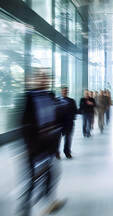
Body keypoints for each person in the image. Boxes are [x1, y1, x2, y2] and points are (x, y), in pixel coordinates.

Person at [19, 68, 66, 215]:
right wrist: (29, 147)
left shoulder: (50, 95)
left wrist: (56, 145)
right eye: (41, 78)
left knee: (51, 173)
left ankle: (49, 201)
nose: (44, 80)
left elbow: (56, 119)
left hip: (48, 144)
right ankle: (25, 208)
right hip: (34, 146)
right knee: (32, 179)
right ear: (35, 79)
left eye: (46, 78)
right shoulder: (29, 97)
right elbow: (24, 124)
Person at [56, 86, 77, 159]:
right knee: (57, 139)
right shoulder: (56, 101)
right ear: (61, 91)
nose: (65, 92)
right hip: (59, 123)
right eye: (63, 90)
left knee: (68, 138)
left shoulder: (71, 101)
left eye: (66, 90)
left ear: (67, 92)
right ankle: (56, 152)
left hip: (68, 123)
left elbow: (75, 111)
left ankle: (67, 152)